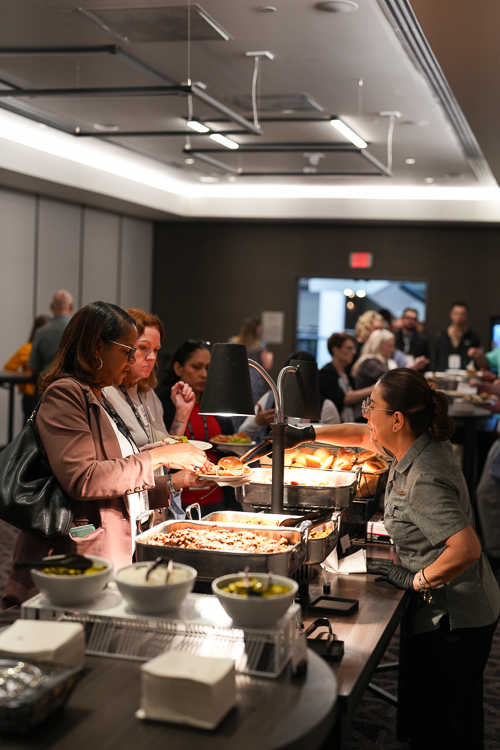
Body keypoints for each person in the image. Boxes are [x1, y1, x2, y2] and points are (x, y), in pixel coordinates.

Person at [283, 368, 500, 750]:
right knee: (444, 716)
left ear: (397, 419)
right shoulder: (413, 442)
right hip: (444, 606)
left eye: (371, 406)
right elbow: (360, 436)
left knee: (444, 725)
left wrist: (416, 580)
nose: (365, 412)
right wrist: (307, 434)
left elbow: (466, 549)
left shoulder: (424, 476)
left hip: (456, 614)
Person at [2, 302, 210, 609]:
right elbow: (84, 479)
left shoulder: (100, 395)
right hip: (74, 553)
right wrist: (160, 456)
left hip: (107, 548)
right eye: (128, 350)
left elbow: (116, 477)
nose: (132, 360)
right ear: (99, 347)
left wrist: (176, 482)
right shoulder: (65, 393)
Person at [102, 309, 207, 518]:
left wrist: (182, 413)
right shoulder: (105, 393)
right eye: (143, 348)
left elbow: (166, 452)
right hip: (121, 509)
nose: (151, 357)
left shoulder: (148, 393)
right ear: (124, 347)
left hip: (153, 503)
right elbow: (108, 470)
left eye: (156, 350)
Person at [158, 340, 235, 512]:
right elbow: (163, 452)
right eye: (196, 367)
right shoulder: (164, 407)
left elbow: (230, 448)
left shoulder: (219, 408)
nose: (204, 374)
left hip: (217, 497)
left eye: (208, 368)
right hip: (179, 500)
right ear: (178, 368)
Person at [239, 350, 340, 443]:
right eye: (292, 376)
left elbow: (335, 441)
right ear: (284, 375)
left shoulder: (326, 407)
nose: (298, 382)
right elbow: (241, 433)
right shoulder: (271, 399)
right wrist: (257, 422)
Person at [3, 314, 50, 422]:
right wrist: (23, 385)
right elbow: (9, 367)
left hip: (39, 394)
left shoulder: (29, 348)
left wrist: (23, 386)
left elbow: (9, 367)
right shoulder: (28, 349)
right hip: (35, 395)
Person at [318, 333, 373, 422]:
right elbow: (342, 399)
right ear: (335, 350)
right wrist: (372, 389)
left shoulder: (346, 373)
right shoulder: (326, 373)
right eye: (349, 348)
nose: (354, 352)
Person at [229, 316, 273, 407]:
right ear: (257, 329)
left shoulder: (233, 341)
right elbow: (267, 365)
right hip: (254, 381)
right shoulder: (261, 344)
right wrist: (270, 356)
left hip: (237, 377)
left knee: (237, 405)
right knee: (253, 408)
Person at [29, 290, 74, 377]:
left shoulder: (41, 332)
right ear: (71, 306)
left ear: (51, 306)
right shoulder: (80, 328)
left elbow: (34, 368)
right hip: (75, 383)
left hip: (48, 382)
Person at [433, 301, 480, 371]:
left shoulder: (473, 337)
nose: (458, 317)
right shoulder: (441, 335)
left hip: (464, 374)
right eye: (456, 313)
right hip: (443, 374)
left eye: (462, 314)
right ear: (451, 314)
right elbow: (435, 358)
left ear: (467, 316)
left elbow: (477, 361)